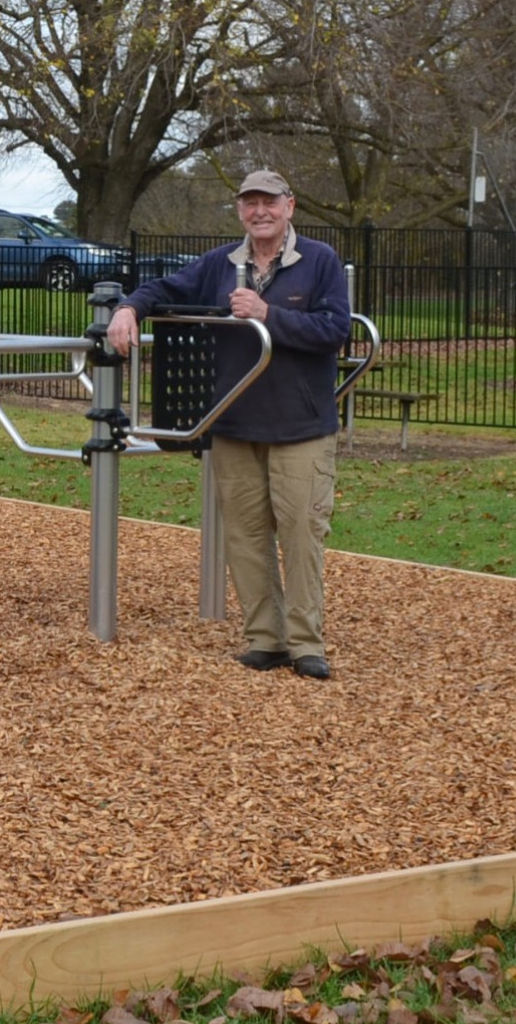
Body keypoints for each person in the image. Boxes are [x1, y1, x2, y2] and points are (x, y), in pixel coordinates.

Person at [107, 169, 351, 679]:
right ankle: (266, 638)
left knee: (302, 533)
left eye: (269, 202)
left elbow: (335, 330)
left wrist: (267, 314)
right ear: (240, 210)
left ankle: (308, 644)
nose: (259, 211)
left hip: (300, 426)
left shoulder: (319, 261)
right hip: (236, 421)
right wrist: (129, 309)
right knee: (243, 535)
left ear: (290, 205)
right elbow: (164, 286)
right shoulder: (222, 263)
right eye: (250, 203)